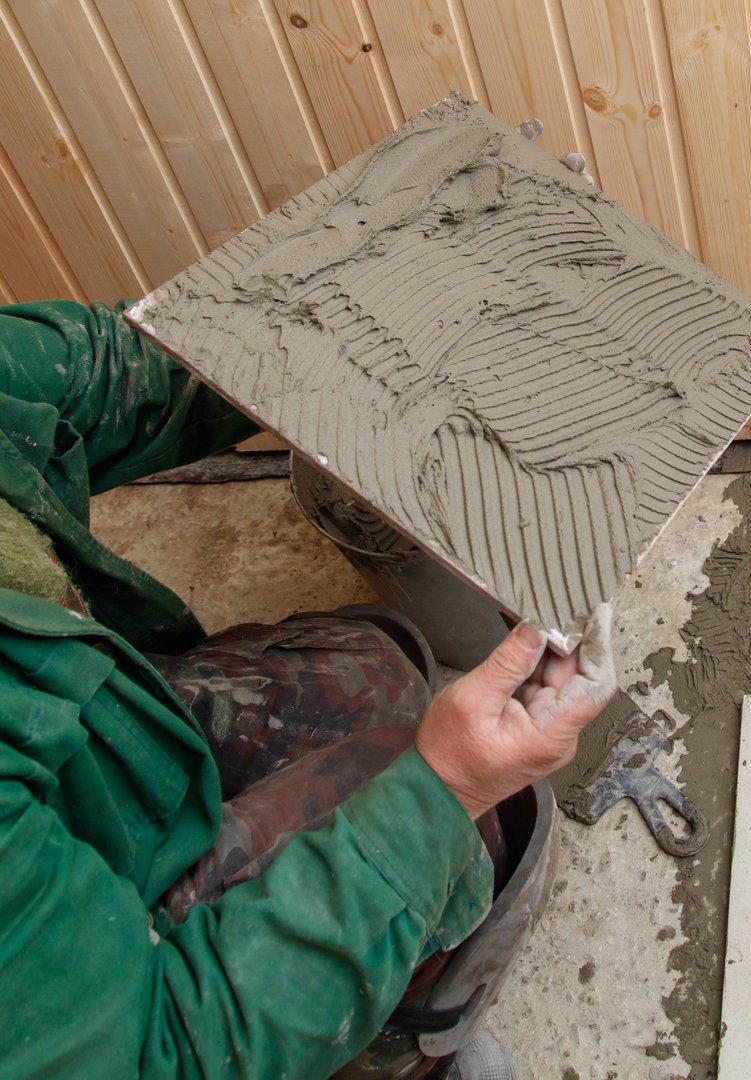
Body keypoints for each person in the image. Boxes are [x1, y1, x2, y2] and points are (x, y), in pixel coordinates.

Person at [0, 299, 616, 1077]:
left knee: (375, 664)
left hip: (70, 728)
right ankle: (385, 1048)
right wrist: (449, 786)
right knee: (466, 815)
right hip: (120, 1003)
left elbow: (123, 368)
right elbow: (164, 1053)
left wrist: (422, 296)